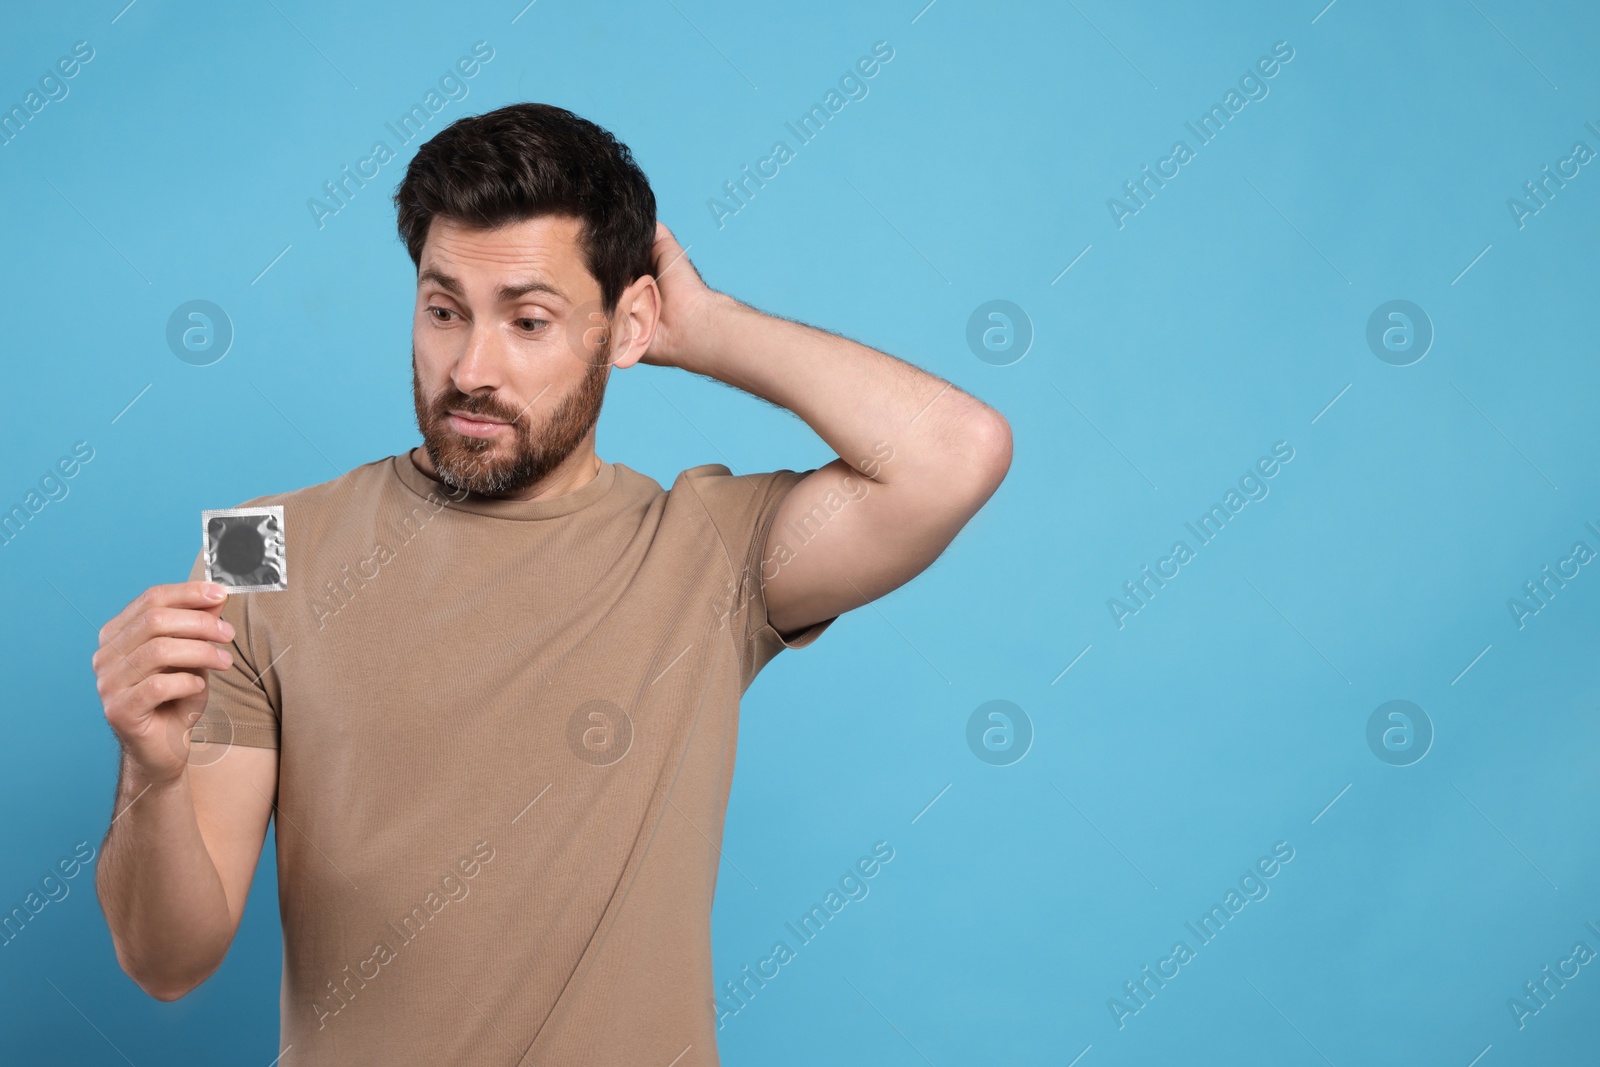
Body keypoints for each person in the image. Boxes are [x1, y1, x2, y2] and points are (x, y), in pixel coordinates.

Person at [90, 102, 1011, 1065]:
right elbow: (166, 960)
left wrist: (706, 327)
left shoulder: (708, 549)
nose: (471, 368)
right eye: (443, 310)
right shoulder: (259, 544)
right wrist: (149, 775)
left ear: (626, 326)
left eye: (529, 320)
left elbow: (958, 453)